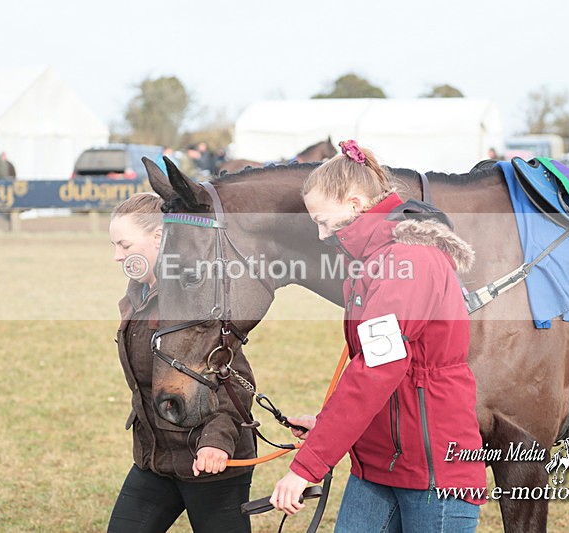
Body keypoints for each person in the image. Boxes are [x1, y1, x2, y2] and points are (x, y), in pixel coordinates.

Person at [270, 140, 487, 532]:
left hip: (432, 467)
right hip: (379, 462)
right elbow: (378, 369)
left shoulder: (407, 260)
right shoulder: (372, 261)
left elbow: (375, 370)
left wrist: (306, 468)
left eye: (322, 220)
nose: (321, 234)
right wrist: (326, 424)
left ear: (354, 204)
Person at [107, 193, 256, 533]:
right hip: (155, 460)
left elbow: (236, 382)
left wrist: (216, 442)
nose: (117, 256)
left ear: (159, 237)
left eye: (125, 245)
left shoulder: (199, 298)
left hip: (211, 464)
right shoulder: (138, 294)